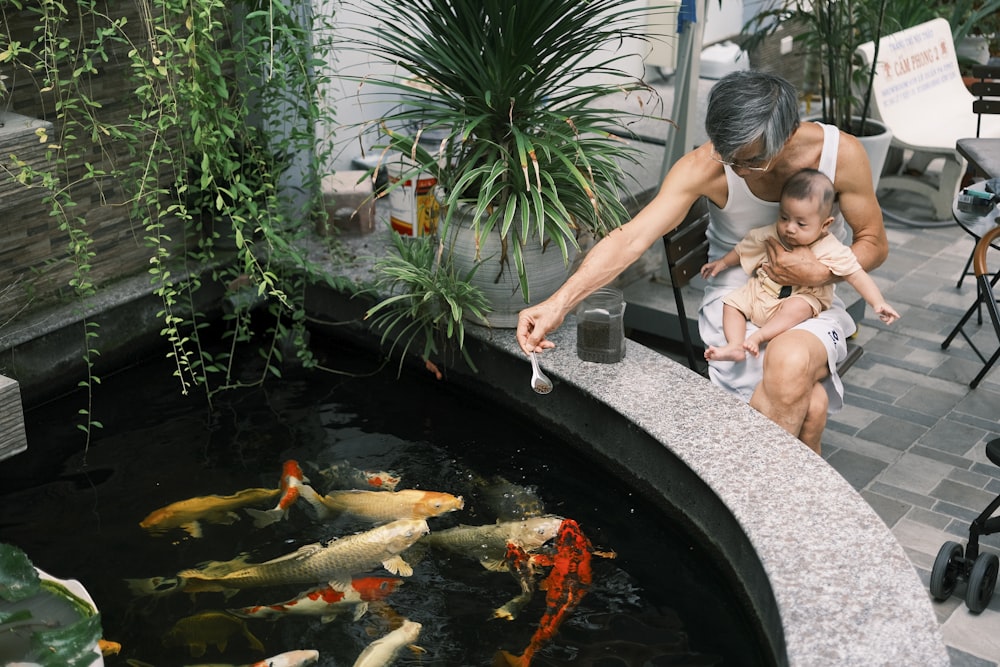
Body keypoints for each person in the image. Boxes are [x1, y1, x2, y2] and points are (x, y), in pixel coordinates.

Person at [516, 70, 889, 454]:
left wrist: (819, 269)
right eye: (728, 156)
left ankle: (747, 490)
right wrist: (557, 304)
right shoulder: (707, 164)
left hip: (810, 297)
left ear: (789, 134)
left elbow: (874, 243)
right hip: (737, 299)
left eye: (750, 161)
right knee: (808, 402)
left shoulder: (839, 154)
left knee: (791, 365)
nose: (737, 170)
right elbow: (631, 238)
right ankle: (777, 493)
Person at [700, 168, 900, 363]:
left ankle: (759, 337)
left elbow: (856, 274)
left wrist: (878, 302)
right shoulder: (772, 234)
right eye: (784, 218)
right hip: (762, 294)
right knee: (731, 303)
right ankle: (735, 345)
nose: (790, 228)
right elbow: (745, 247)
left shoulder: (829, 248)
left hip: (799, 298)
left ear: (824, 225)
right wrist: (723, 262)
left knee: (800, 305)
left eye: (801, 224)